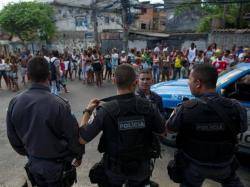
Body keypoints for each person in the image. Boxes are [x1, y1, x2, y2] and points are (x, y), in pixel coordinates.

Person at [79, 64, 165, 187]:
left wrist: (87, 111)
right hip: (141, 169)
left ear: (114, 80)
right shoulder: (149, 106)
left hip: (115, 170)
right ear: (135, 82)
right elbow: (162, 131)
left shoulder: (104, 110)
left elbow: (82, 138)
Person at [6, 56, 84, 187]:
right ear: (49, 75)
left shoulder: (15, 102)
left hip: (34, 164)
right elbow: (73, 136)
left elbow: (13, 137)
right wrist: (79, 155)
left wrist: (30, 153)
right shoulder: (60, 105)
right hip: (57, 167)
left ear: (28, 76)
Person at [166, 64, 248, 187]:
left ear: (198, 83)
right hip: (224, 164)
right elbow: (243, 128)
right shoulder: (236, 106)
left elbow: (170, 129)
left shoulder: (186, 108)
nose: (189, 83)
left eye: (190, 80)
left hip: (194, 165)